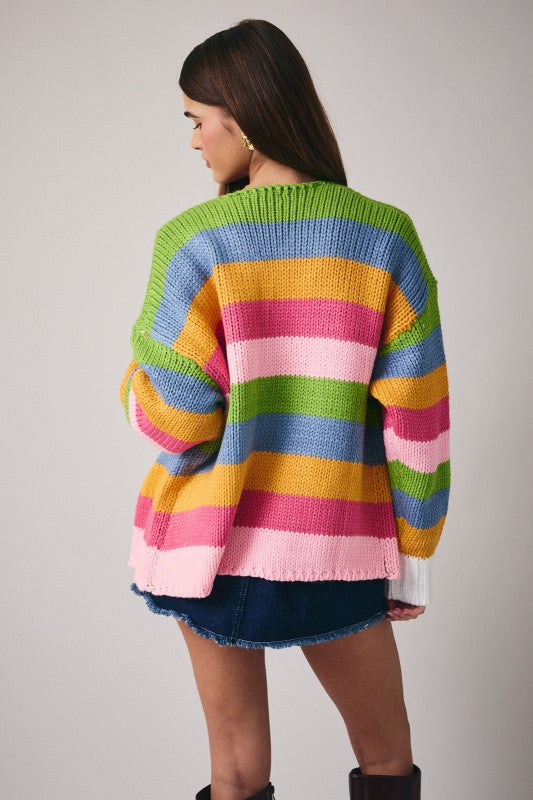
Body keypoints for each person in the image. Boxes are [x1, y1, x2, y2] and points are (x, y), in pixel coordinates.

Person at [118, 18, 450, 800]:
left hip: (206, 545)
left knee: (234, 771)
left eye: (196, 119)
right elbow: (418, 418)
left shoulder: (192, 241)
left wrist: (132, 382)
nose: (194, 140)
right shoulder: (384, 237)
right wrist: (413, 553)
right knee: (386, 754)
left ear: (239, 115)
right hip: (335, 543)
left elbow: (180, 419)